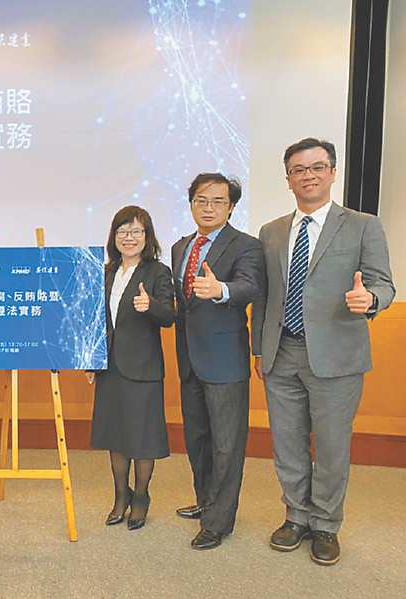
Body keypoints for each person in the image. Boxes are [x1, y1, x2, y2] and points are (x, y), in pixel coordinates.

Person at [252, 138, 395, 566]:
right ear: (288, 179)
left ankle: (326, 524)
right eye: (298, 169)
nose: (308, 175)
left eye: (317, 167)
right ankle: (296, 516)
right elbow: (264, 298)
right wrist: (259, 349)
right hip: (281, 354)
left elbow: (384, 283)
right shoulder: (271, 231)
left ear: (332, 173)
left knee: (332, 446)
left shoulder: (363, 225)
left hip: (337, 357)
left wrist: (370, 299)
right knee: (288, 444)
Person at [171, 173, 265, 550]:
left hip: (225, 361)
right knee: (197, 439)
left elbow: (251, 286)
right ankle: (206, 501)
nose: (208, 207)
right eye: (201, 200)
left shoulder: (246, 245)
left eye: (218, 201)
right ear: (191, 203)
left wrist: (221, 289)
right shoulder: (180, 246)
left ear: (231, 207)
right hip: (188, 359)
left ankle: (218, 522)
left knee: (226, 445)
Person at [86, 205, 176, 531]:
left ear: (147, 236)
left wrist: (150, 306)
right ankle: (120, 496)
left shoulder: (157, 271)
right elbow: (96, 320)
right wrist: (91, 360)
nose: (129, 237)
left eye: (136, 231)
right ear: (114, 237)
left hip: (142, 368)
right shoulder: (106, 271)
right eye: (123, 231)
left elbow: (169, 315)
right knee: (116, 434)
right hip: (109, 366)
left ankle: (141, 497)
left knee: (142, 437)